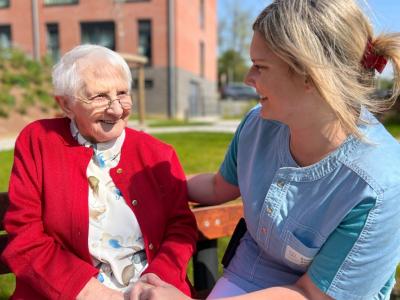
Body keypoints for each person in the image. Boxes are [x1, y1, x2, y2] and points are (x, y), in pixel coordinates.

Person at [131, 0, 400, 299]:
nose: (248, 79)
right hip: (253, 270)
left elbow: (313, 294)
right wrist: (152, 183)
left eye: (260, 66)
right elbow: (220, 186)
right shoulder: (258, 126)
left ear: (311, 75)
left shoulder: (379, 185)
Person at [1, 45, 197, 300]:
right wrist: (88, 291)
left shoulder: (157, 153)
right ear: (66, 104)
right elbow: (24, 234)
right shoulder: (39, 141)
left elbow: (180, 225)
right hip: (68, 292)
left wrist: (158, 280)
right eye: (99, 97)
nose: (116, 109)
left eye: (123, 94)